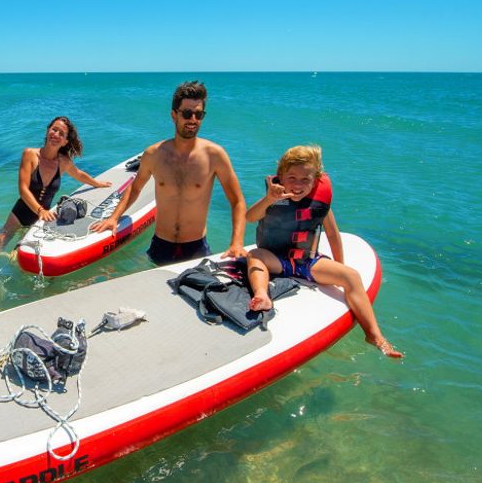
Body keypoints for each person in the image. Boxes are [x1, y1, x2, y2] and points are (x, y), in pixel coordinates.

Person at [245, 145, 402, 358]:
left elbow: (333, 235)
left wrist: (340, 265)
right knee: (254, 256)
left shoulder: (319, 204)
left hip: (306, 262)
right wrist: (269, 199)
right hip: (276, 259)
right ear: (281, 176)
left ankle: (374, 334)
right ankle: (262, 294)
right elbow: (250, 217)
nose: (298, 185)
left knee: (352, 276)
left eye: (305, 179)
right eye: (292, 178)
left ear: (316, 179)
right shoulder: (273, 198)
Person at [89, 80, 246, 265]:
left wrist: (236, 243)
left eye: (199, 114)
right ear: (174, 115)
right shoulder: (153, 154)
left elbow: (237, 201)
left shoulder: (215, 155)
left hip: (196, 247)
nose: (193, 120)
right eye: (187, 113)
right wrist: (114, 218)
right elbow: (135, 188)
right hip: (160, 245)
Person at [0, 116, 112, 250]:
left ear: (65, 141)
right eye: (54, 130)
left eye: (61, 134)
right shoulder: (30, 154)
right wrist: (40, 210)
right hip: (19, 214)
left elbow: (78, 174)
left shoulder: (63, 162)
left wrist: (97, 183)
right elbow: (23, 189)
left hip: (40, 220)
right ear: (47, 131)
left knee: (18, 256)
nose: (56, 134)